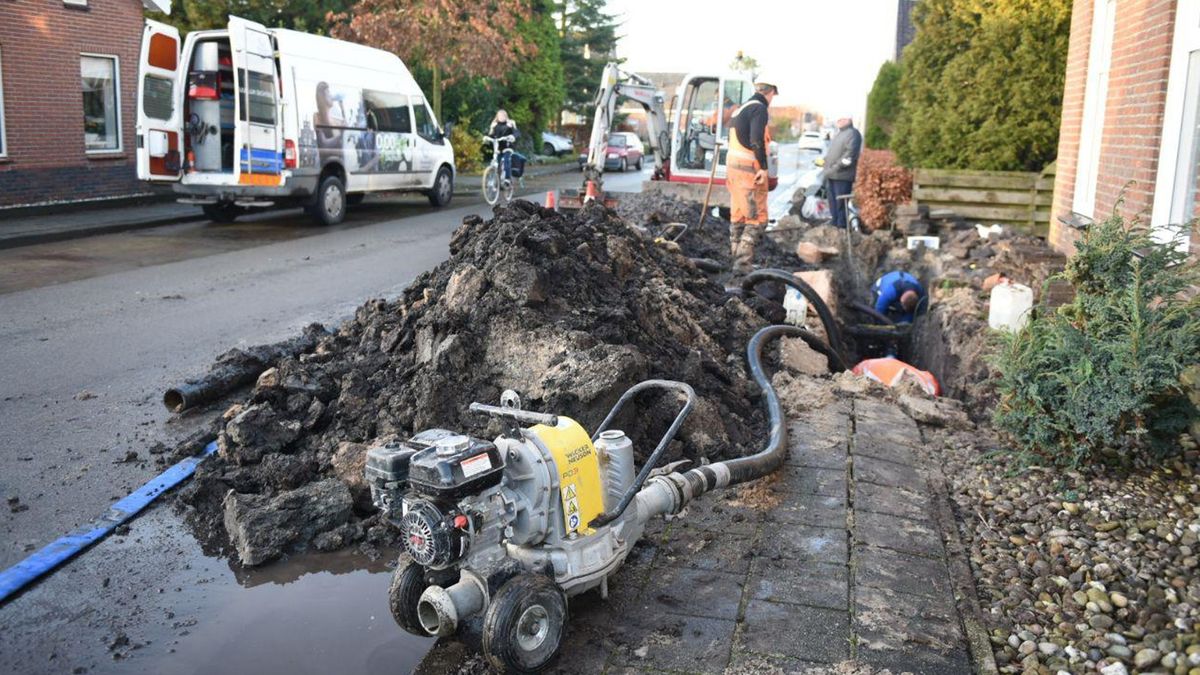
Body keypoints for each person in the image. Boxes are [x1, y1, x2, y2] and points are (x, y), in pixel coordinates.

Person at [726, 78, 777, 275]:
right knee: (757, 219)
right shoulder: (759, 109)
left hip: (734, 170)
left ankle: (735, 261)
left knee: (738, 217)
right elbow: (756, 140)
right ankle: (742, 265)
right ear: (771, 92)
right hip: (749, 172)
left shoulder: (741, 108)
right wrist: (763, 168)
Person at [822, 114, 862, 229]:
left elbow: (849, 156)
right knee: (833, 203)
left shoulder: (853, 134)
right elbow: (834, 153)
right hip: (832, 175)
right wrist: (825, 162)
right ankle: (835, 223)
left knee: (841, 204)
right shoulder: (839, 134)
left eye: (841, 119)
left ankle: (842, 227)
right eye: (838, 119)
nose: (838, 121)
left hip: (843, 176)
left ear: (848, 119)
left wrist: (834, 168)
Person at [488, 110, 519, 182]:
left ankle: (507, 179)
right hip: (498, 147)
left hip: (507, 146)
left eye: (503, 116)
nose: (501, 117)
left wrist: (513, 136)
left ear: (506, 117)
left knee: (506, 161)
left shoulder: (510, 124)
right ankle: (496, 179)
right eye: (499, 116)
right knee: (496, 162)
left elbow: (516, 132)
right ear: (497, 117)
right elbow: (491, 135)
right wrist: (488, 134)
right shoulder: (495, 125)